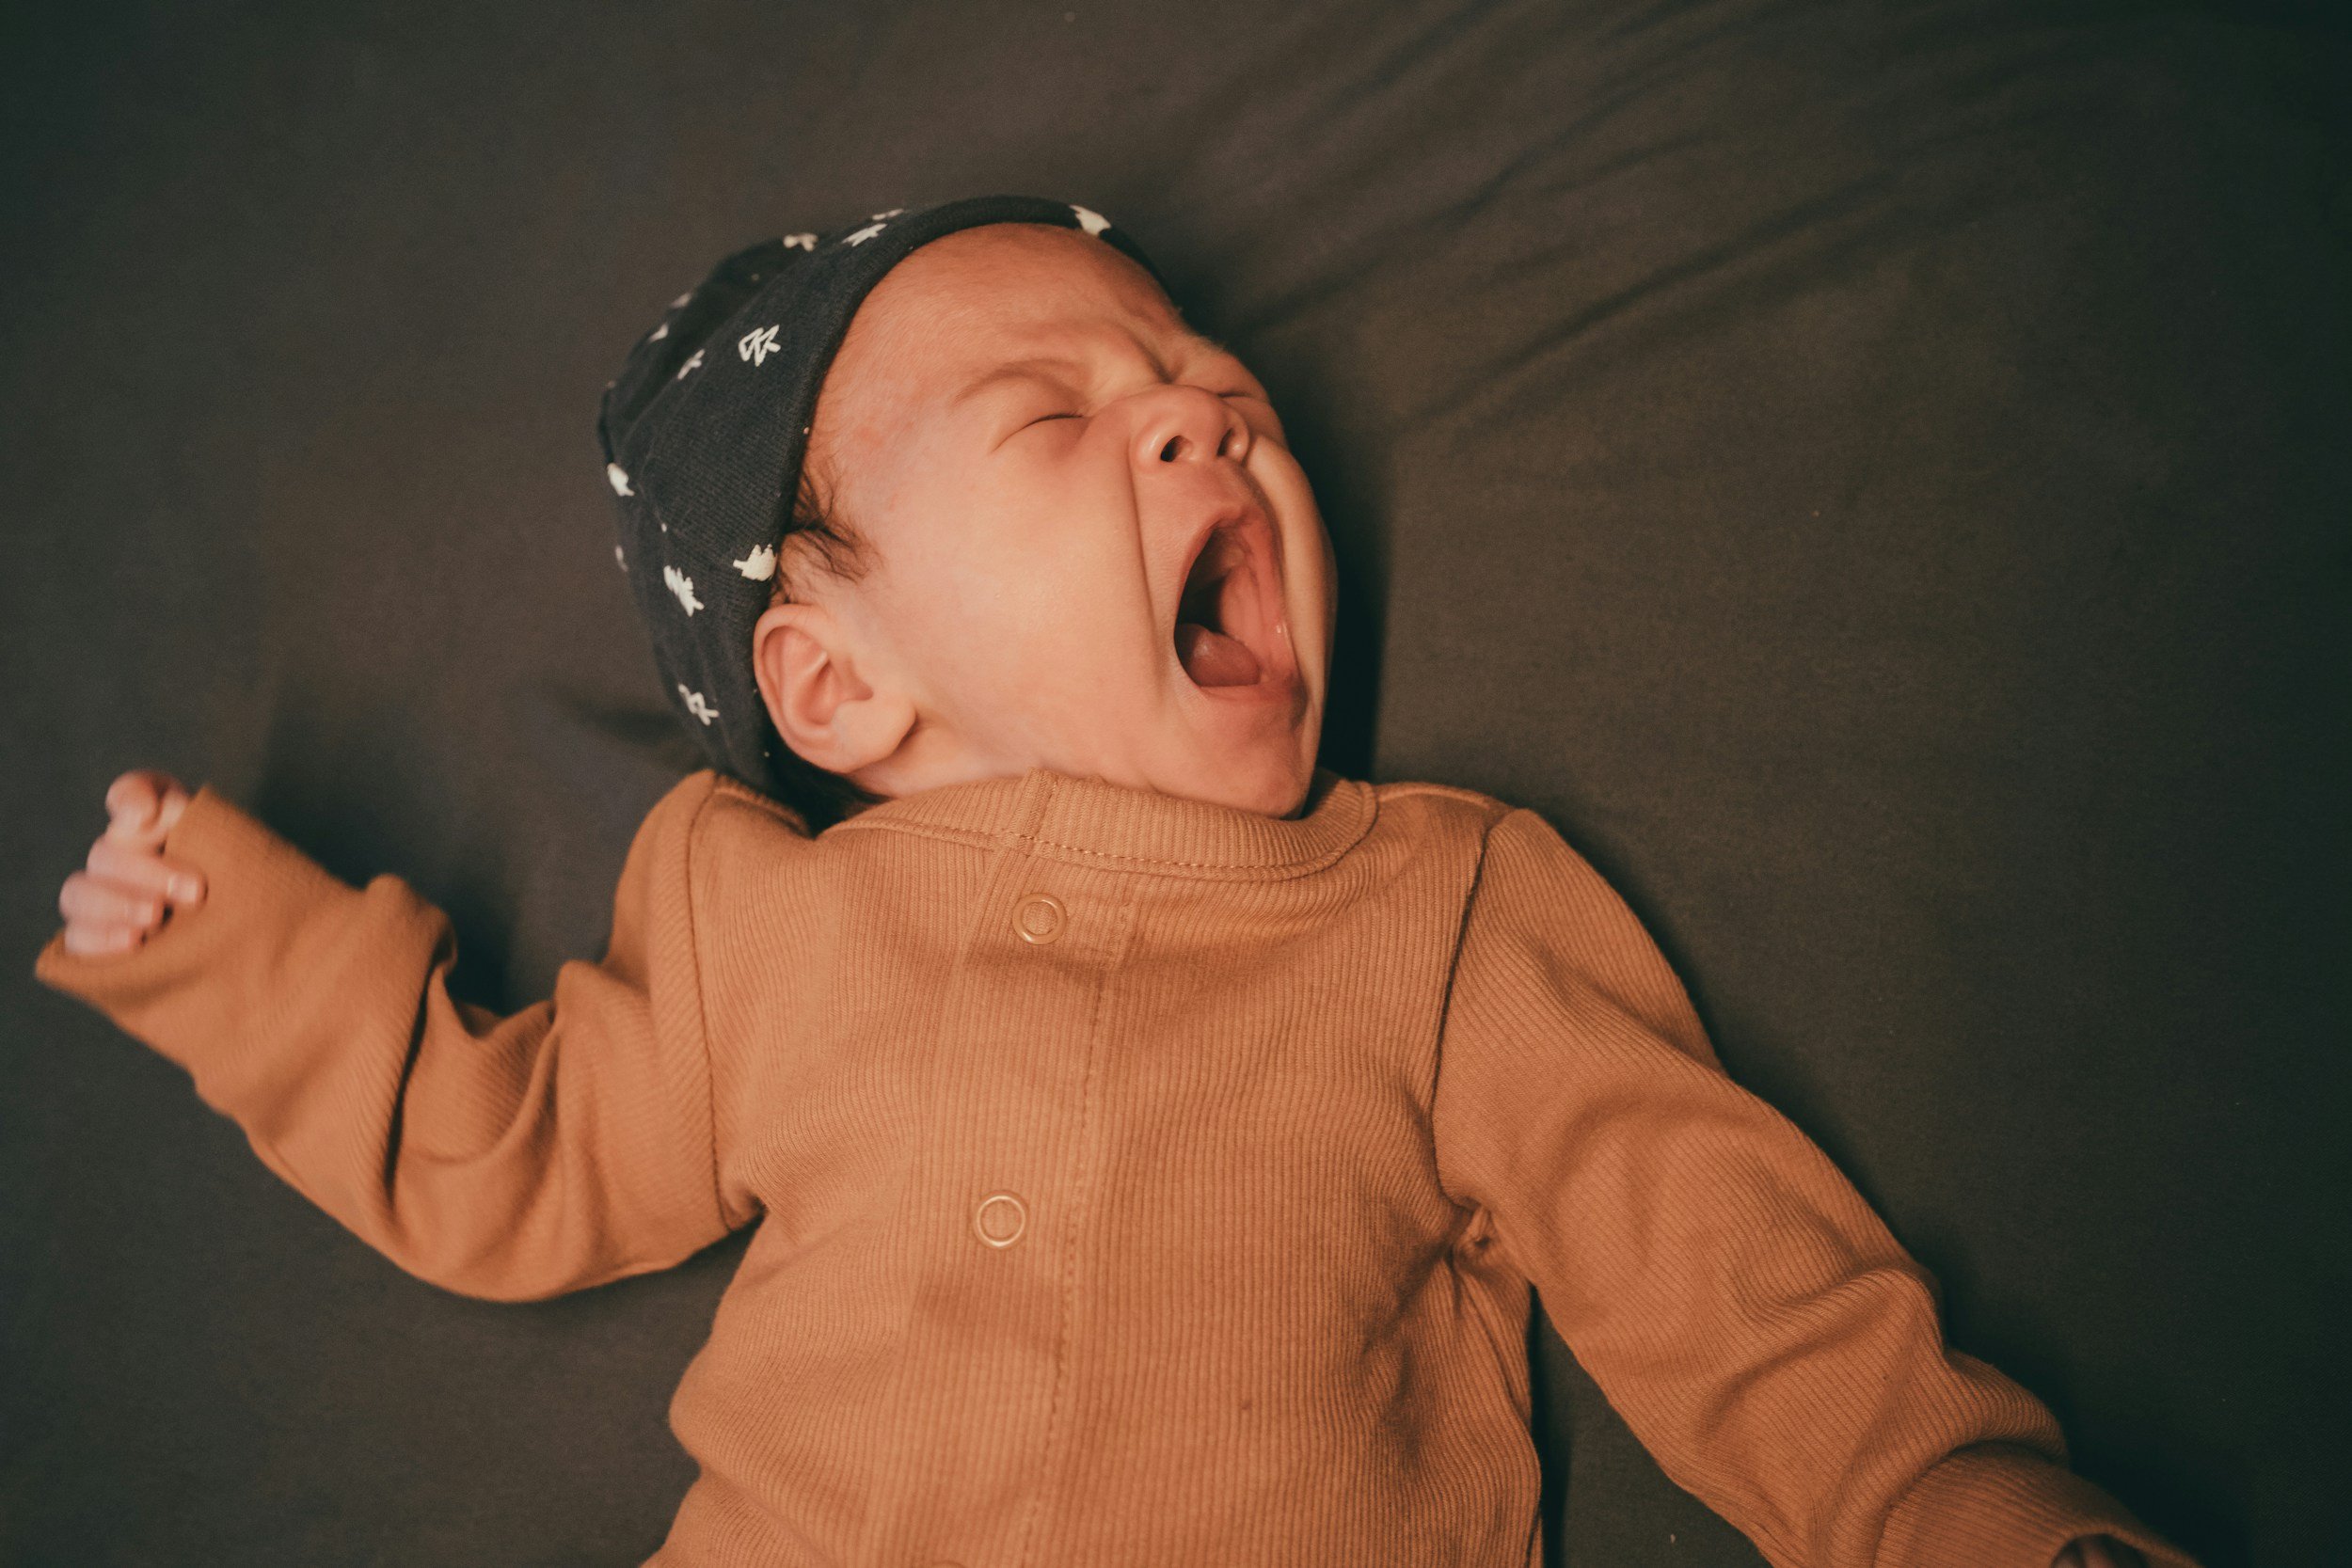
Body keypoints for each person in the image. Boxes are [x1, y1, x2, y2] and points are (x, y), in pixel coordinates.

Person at [36, 196, 2194, 1568]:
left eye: (1206, 387)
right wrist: (248, 967)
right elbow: (508, 1154)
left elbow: (1734, 1290)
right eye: (1050, 414)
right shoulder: (746, 916)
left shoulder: (1429, 912)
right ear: (834, 685)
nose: (1196, 420)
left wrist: (1955, 1515)